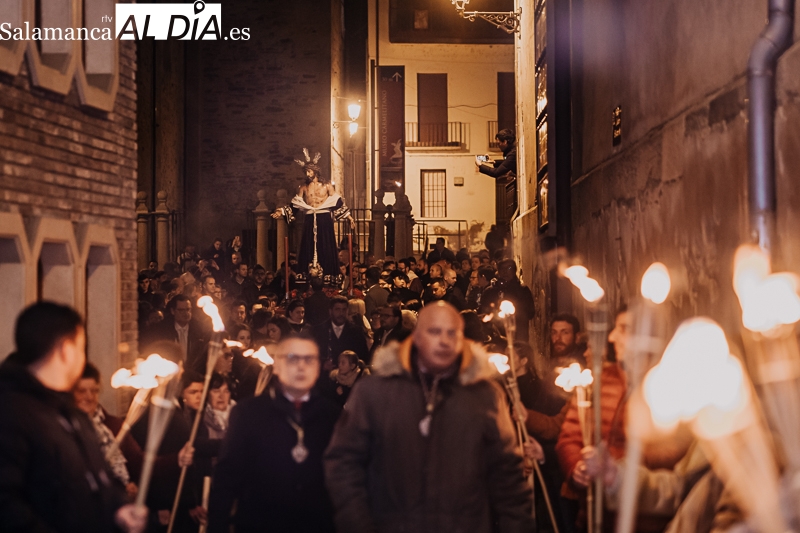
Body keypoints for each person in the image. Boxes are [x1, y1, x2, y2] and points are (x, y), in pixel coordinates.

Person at [324, 302, 536, 532]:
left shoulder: (484, 396)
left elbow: (507, 476)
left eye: (451, 333)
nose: (443, 340)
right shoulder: (376, 392)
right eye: (434, 331)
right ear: (416, 336)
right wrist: (358, 523)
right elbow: (344, 461)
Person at [0, 302, 147, 533]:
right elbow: (7, 506)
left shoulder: (75, 417)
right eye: (82, 348)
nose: (83, 359)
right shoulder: (11, 415)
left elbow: (98, 481)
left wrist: (119, 509)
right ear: (66, 350)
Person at [208, 333, 341, 533]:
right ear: (276, 366)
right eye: (292, 358)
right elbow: (226, 477)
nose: (301, 366)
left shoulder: (333, 416)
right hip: (260, 524)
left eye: (309, 359)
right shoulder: (248, 413)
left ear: (318, 368)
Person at [556, 306, 631, 532]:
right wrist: (576, 465)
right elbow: (569, 435)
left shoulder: (664, 387)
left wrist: (612, 469)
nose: (612, 337)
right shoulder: (602, 381)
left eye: (625, 329)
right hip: (595, 514)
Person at [272, 149, 354, 278]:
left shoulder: (326, 186)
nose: (307, 174)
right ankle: (307, 274)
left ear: (315, 171)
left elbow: (337, 202)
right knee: (308, 245)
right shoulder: (303, 187)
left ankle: (328, 274)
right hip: (310, 217)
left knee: (326, 245)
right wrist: (281, 211)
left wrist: (349, 217)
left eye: (309, 171)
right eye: (306, 171)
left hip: (324, 217)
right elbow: (296, 205)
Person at [73, 362, 139, 501]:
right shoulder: (66, 431)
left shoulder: (109, 427)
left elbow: (137, 461)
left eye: (94, 391)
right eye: (82, 391)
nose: (89, 397)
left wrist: (177, 459)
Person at [482, 260, 535, 342]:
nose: (505, 272)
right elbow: (484, 312)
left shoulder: (522, 290)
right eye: (502, 269)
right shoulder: (490, 291)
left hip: (518, 337)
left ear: (514, 270)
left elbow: (530, 313)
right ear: (498, 271)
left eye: (509, 268)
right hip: (497, 338)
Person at [313, 295, 369, 370]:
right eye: (337, 309)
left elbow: (363, 356)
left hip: (349, 377)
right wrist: (322, 364)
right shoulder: (319, 330)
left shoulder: (356, 331)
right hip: (325, 377)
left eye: (344, 310)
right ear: (330, 311)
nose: (341, 313)